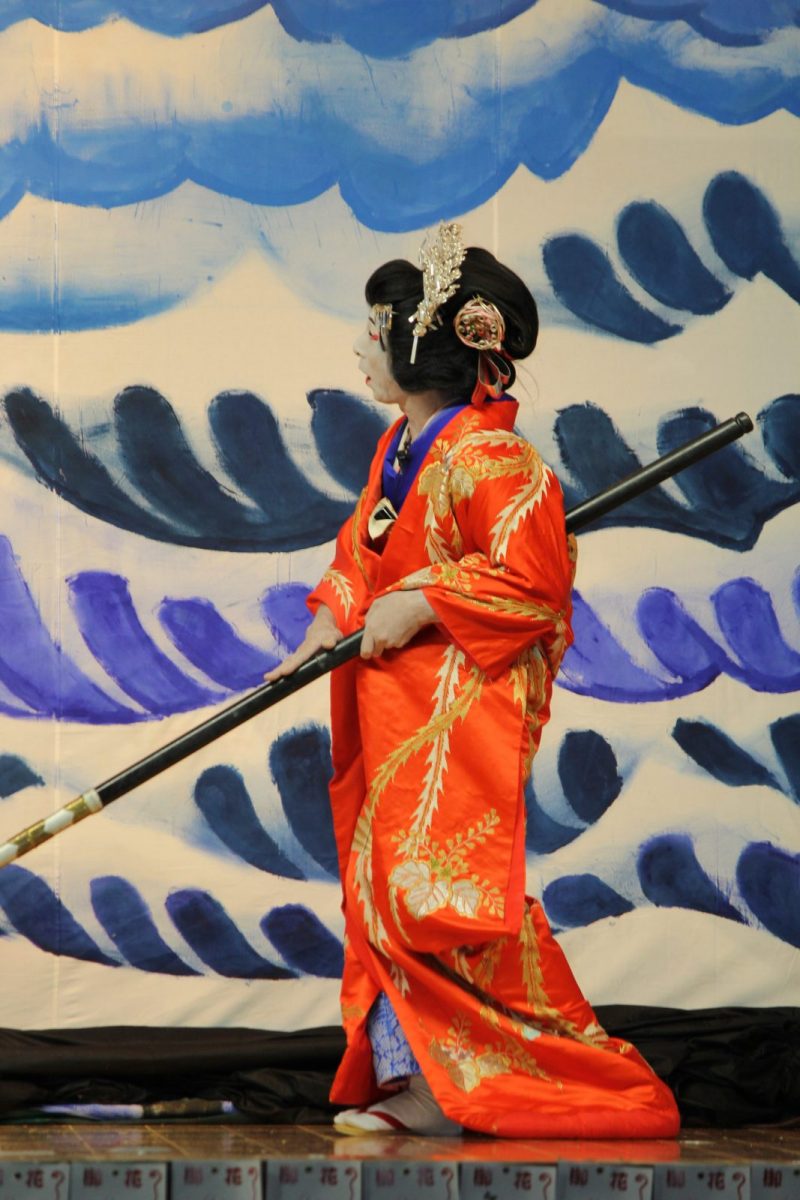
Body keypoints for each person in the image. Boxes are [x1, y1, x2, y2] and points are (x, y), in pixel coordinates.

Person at [267, 224, 680, 1138]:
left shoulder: (493, 459)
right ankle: (421, 1079)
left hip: (450, 716)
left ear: (417, 351)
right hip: (395, 706)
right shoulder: (404, 446)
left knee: (433, 899)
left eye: (374, 334)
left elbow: (532, 584)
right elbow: (363, 550)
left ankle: (529, 1080)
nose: (360, 349)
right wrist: (329, 620)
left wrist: (424, 602)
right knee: (386, 890)